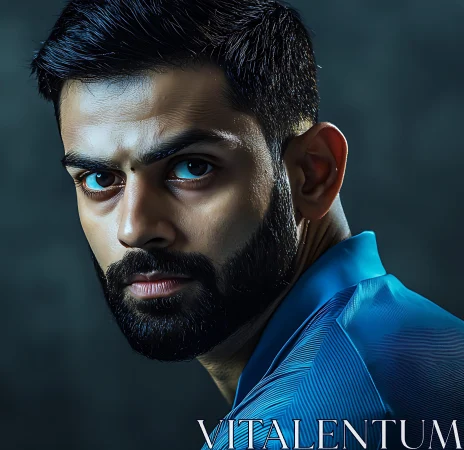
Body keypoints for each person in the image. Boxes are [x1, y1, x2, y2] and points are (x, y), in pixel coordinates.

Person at [29, 0, 464, 448]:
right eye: (100, 179)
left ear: (312, 173)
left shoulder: (302, 426)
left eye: (192, 168)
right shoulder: (419, 342)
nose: (134, 229)